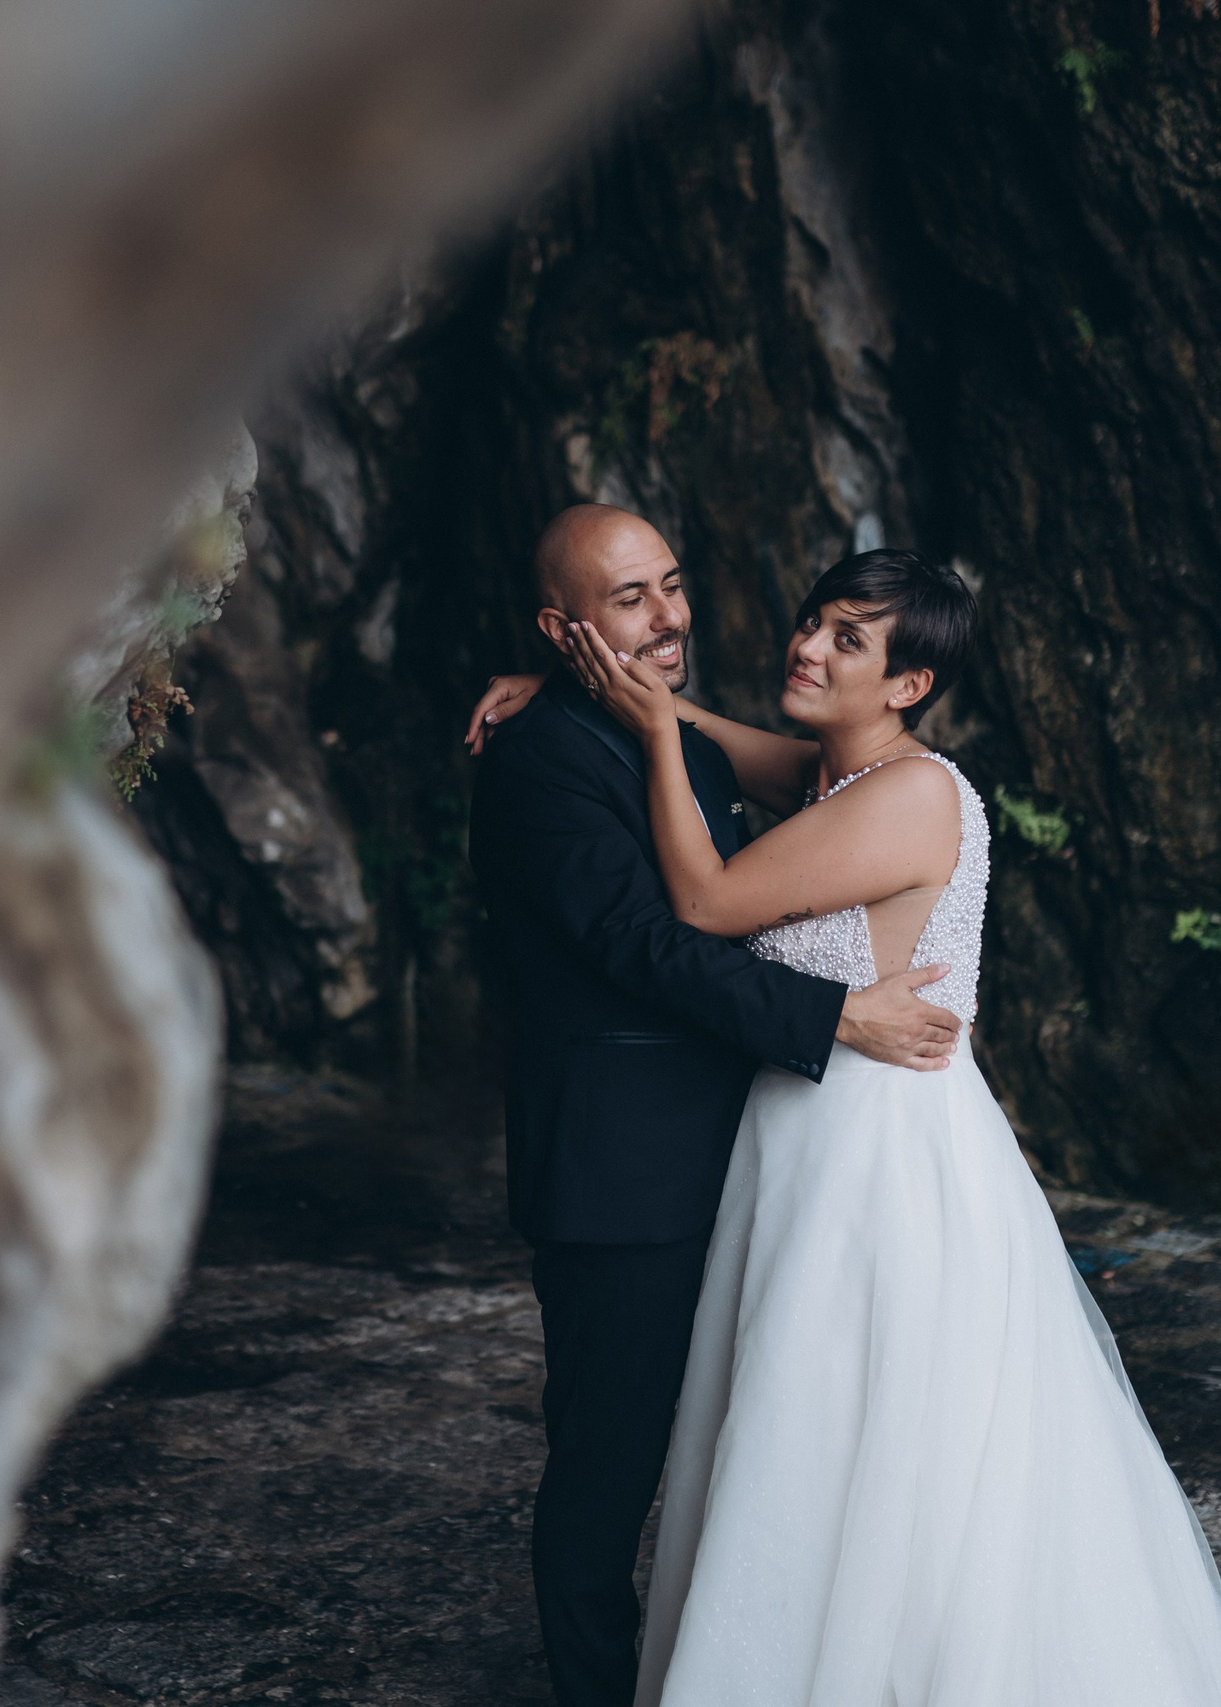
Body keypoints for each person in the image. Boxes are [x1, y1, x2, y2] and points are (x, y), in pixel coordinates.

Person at [470, 546, 1221, 1706]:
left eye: (847, 640)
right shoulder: (830, 773)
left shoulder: (911, 794)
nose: (807, 645)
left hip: (874, 1155)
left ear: (907, 685)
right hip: (803, 1142)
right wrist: (569, 692)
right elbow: (706, 726)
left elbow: (706, 900)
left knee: (855, 1431)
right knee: (798, 1427)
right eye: (814, 620)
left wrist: (652, 737)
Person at [464, 506, 968, 1707]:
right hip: (620, 1171)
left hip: (746, 1154)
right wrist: (837, 1017)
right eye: (631, 599)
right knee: (607, 1465)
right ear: (565, 627)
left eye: (673, 586)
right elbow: (644, 941)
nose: (671, 615)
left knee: (771, 1448)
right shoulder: (539, 762)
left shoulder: (691, 741)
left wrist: (624, 690)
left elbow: (757, 778)